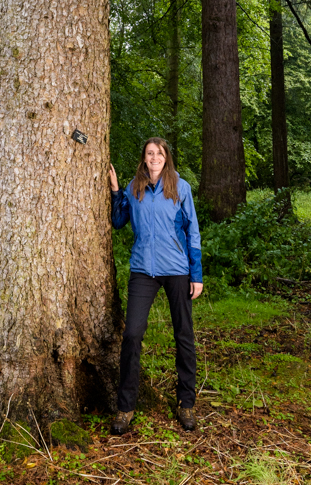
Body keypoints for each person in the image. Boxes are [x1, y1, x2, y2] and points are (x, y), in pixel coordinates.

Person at [109, 137, 203, 435]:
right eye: (150, 153)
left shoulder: (180, 187)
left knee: (184, 335)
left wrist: (196, 274)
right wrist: (114, 191)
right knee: (132, 334)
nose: (154, 158)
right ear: (144, 157)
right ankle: (126, 408)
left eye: (159, 154)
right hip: (143, 270)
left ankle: (186, 403)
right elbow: (118, 220)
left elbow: (193, 232)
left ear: (166, 158)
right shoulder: (134, 187)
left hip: (176, 270)